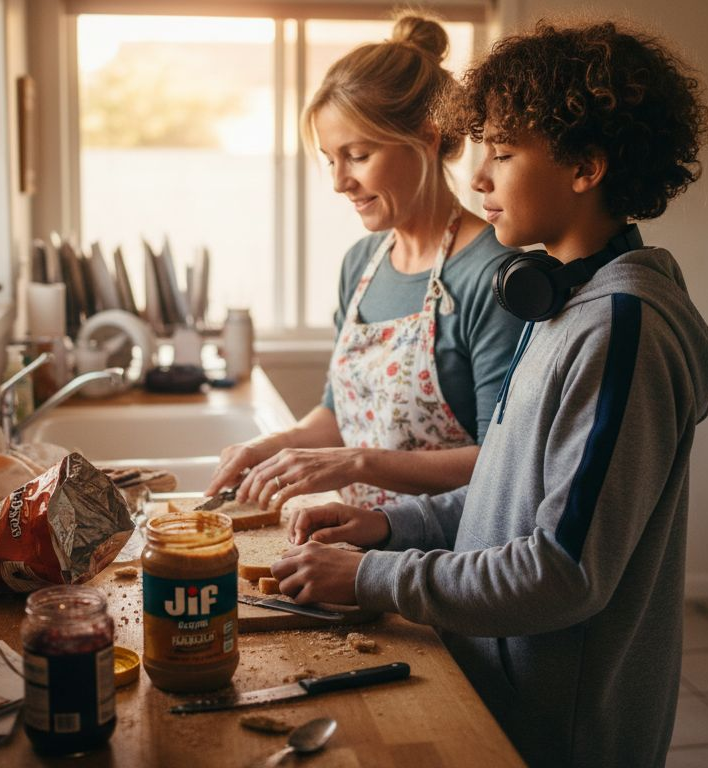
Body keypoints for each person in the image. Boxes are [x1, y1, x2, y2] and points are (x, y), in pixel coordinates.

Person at [269, 18, 708, 767]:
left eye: (504, 154)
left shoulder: (622, 330)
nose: (478, 177)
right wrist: (385, 530)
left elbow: (562, 572)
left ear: (585, 166)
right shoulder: (561, 301)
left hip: (561, 728)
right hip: (503, 689)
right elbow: (505, 501)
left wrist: (372, 577)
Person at [205, 15, 524, 512]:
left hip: (445, 564)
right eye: (330, 158)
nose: (339, 182)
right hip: (350, 549)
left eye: (356, 155)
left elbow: (500, 464)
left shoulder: (494, 276)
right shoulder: (362, 265)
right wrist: (269, 448)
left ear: (428, 137)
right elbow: (338, 415)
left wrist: (355, 463)